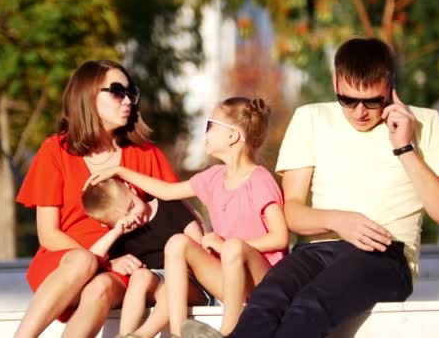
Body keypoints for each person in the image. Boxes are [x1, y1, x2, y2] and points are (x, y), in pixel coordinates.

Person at [182, 37, 439, 338]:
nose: (359, 111)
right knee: (266, 301)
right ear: (335, 82)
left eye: (373, 101)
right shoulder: (310, 118)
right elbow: (292, 212)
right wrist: (338, 220)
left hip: (384, 253)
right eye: (348, 100)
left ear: (390, 86)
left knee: (309, 305)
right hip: (315, 251)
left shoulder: (425, 122)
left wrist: (405, 149)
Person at [86, 97, 289, 337]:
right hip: (227, 280)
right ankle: (180, 331)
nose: (205, 132)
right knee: (177, 242)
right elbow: (165, 191)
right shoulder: (213, 177)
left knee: (234, 247)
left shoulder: (259, 180)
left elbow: (280, 238)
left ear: (232, 136)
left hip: (262, 282)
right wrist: (119, 170)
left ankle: (229, 331)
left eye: (210, 125)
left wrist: (225, 247)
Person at [14, 60, 183, 338]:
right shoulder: (54, 151)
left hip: (124, 266)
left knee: (101, 288)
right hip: (64, 263)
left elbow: (179, 212)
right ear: (87, 95)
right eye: (117, 91)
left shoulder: (145, 153)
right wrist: (102, 261)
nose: (127, 100)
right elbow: (48, 234)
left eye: (131, 92)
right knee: (83, 261)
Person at [81, 177, 210, 338]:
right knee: (140, 276)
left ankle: (141, 335)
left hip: (190, 282)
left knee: (168, 289)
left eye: (132, 206)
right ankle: (125, 334)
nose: (133, 217)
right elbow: (90, 260)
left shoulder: (168, 206)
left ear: (132, 189)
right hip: (155, 286)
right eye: (123, 219)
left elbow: (198, 246)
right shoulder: (123, 233)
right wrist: (116, 231)